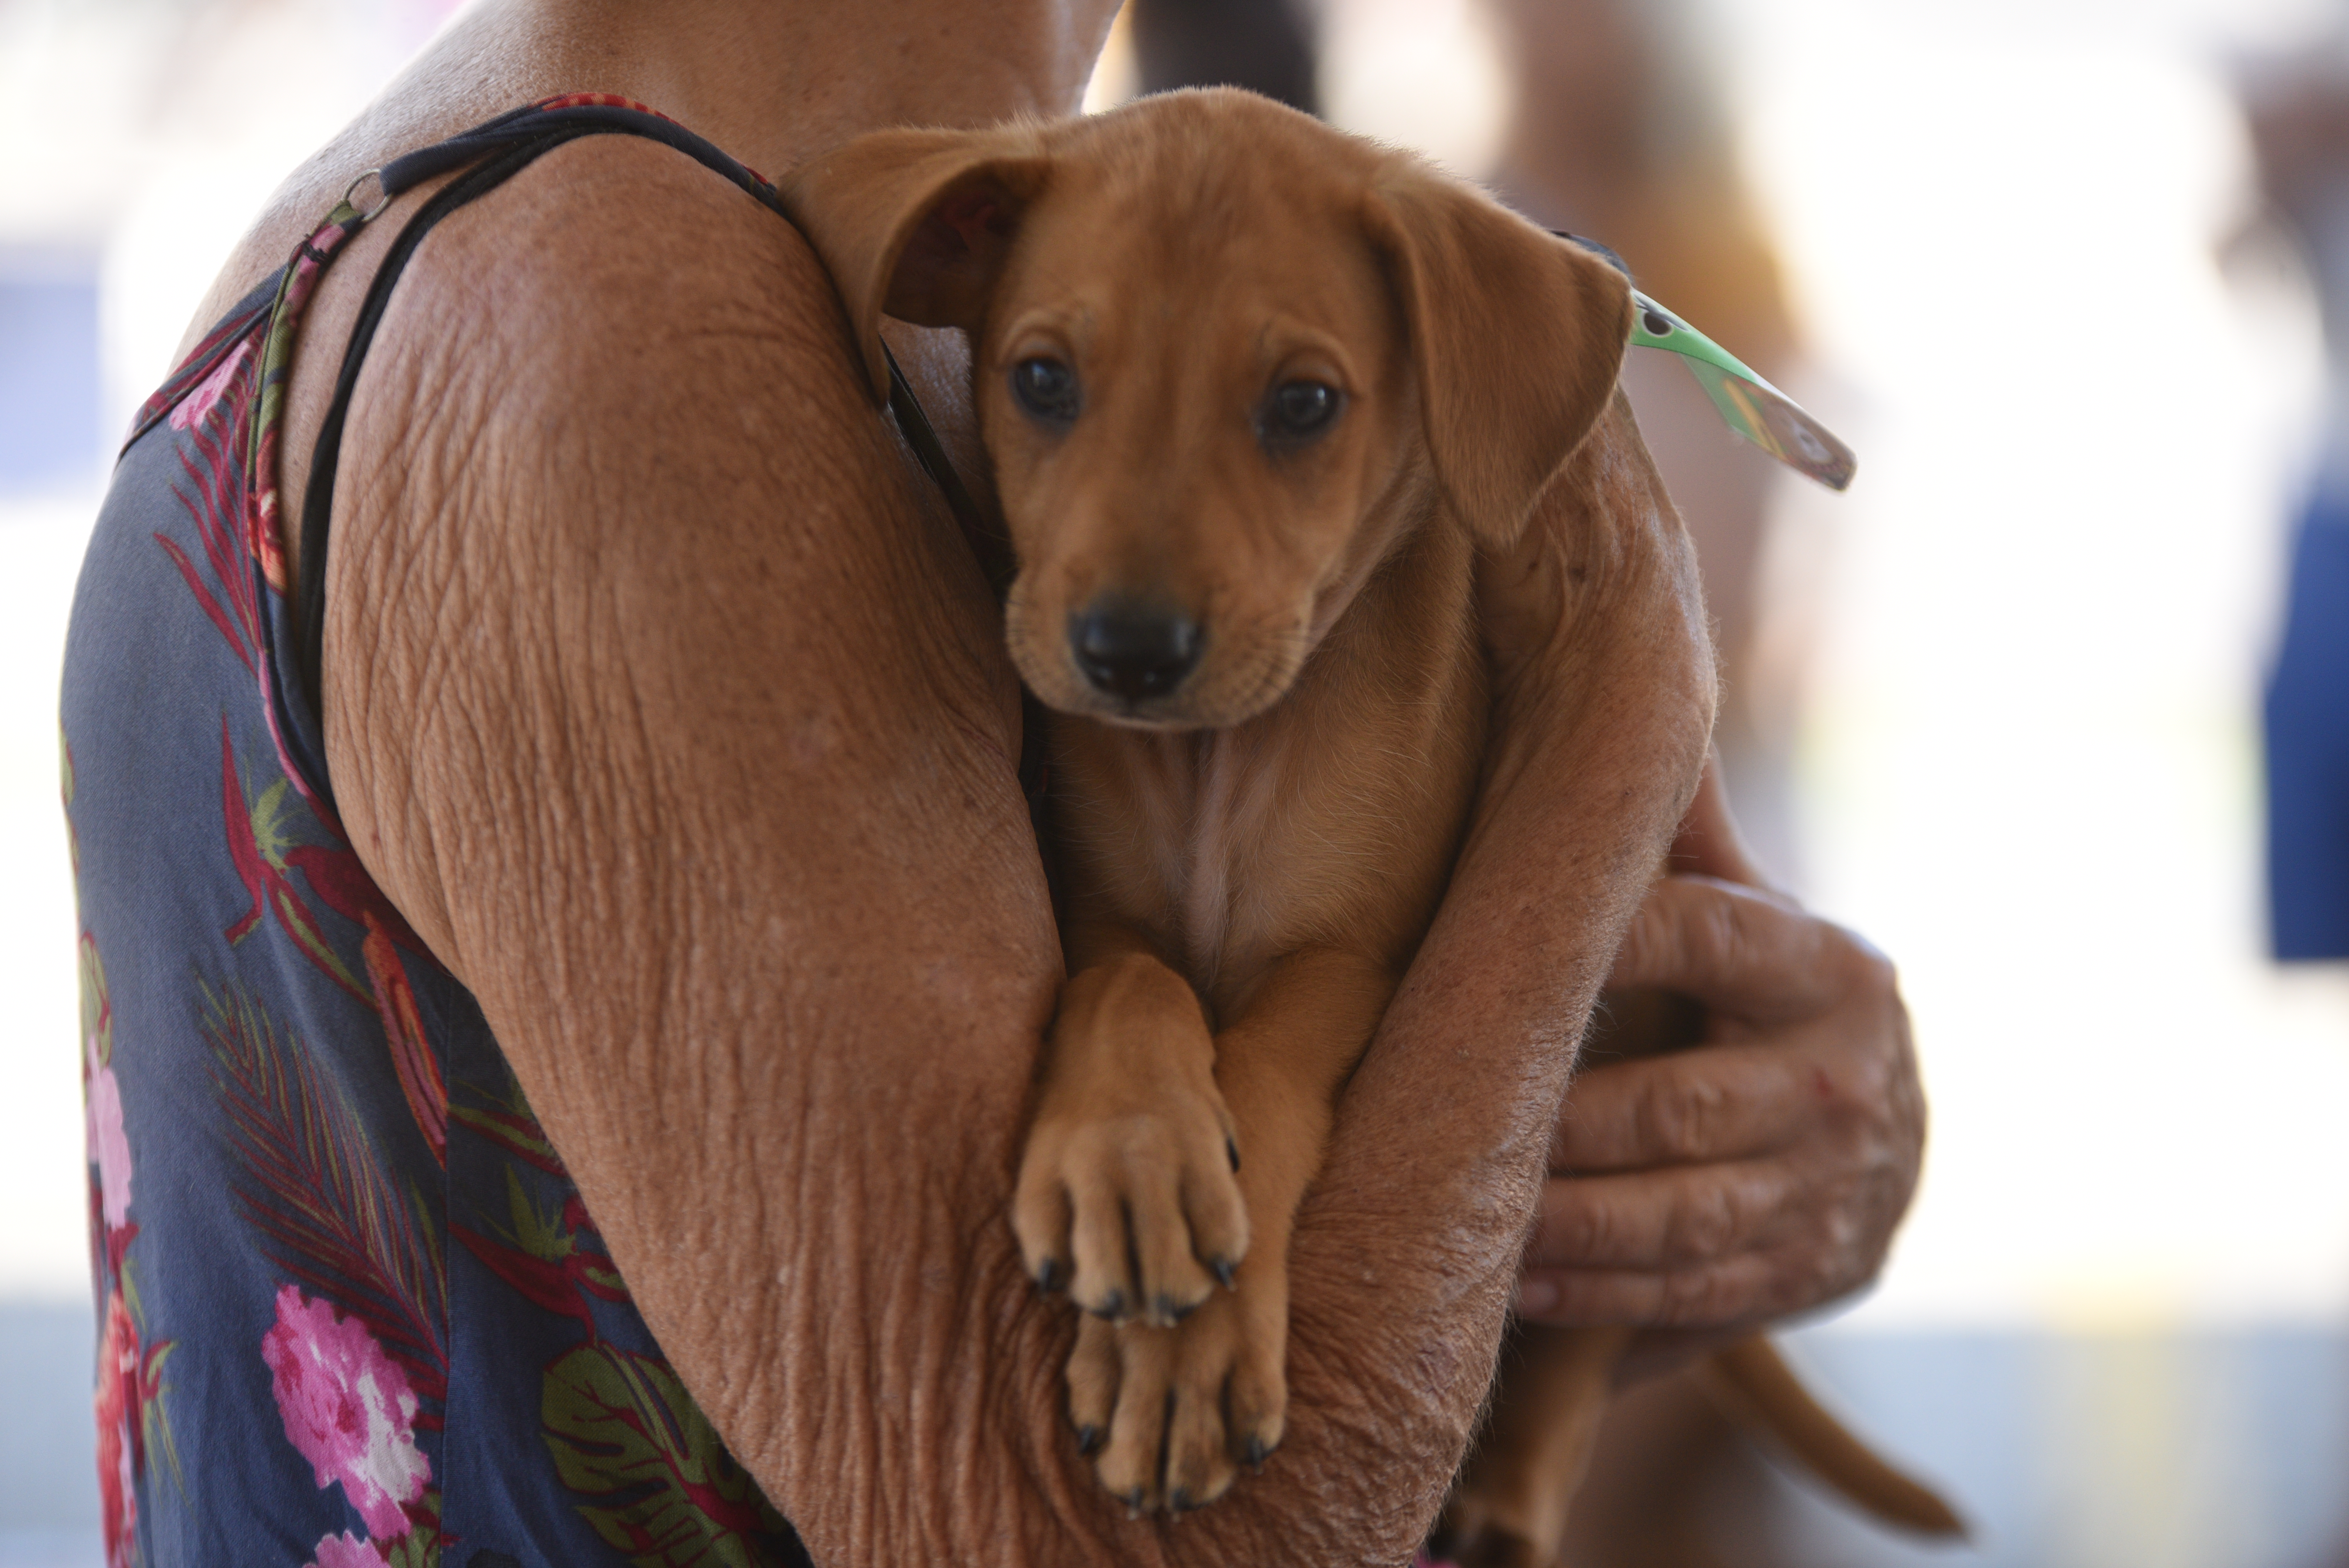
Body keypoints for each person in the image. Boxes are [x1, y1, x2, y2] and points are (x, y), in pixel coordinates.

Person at [59, 2, 1920, 1564]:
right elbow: (1143, 1537)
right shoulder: (622, 324)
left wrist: (1691, 1175)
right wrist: (1621, 692)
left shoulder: (927, 248)